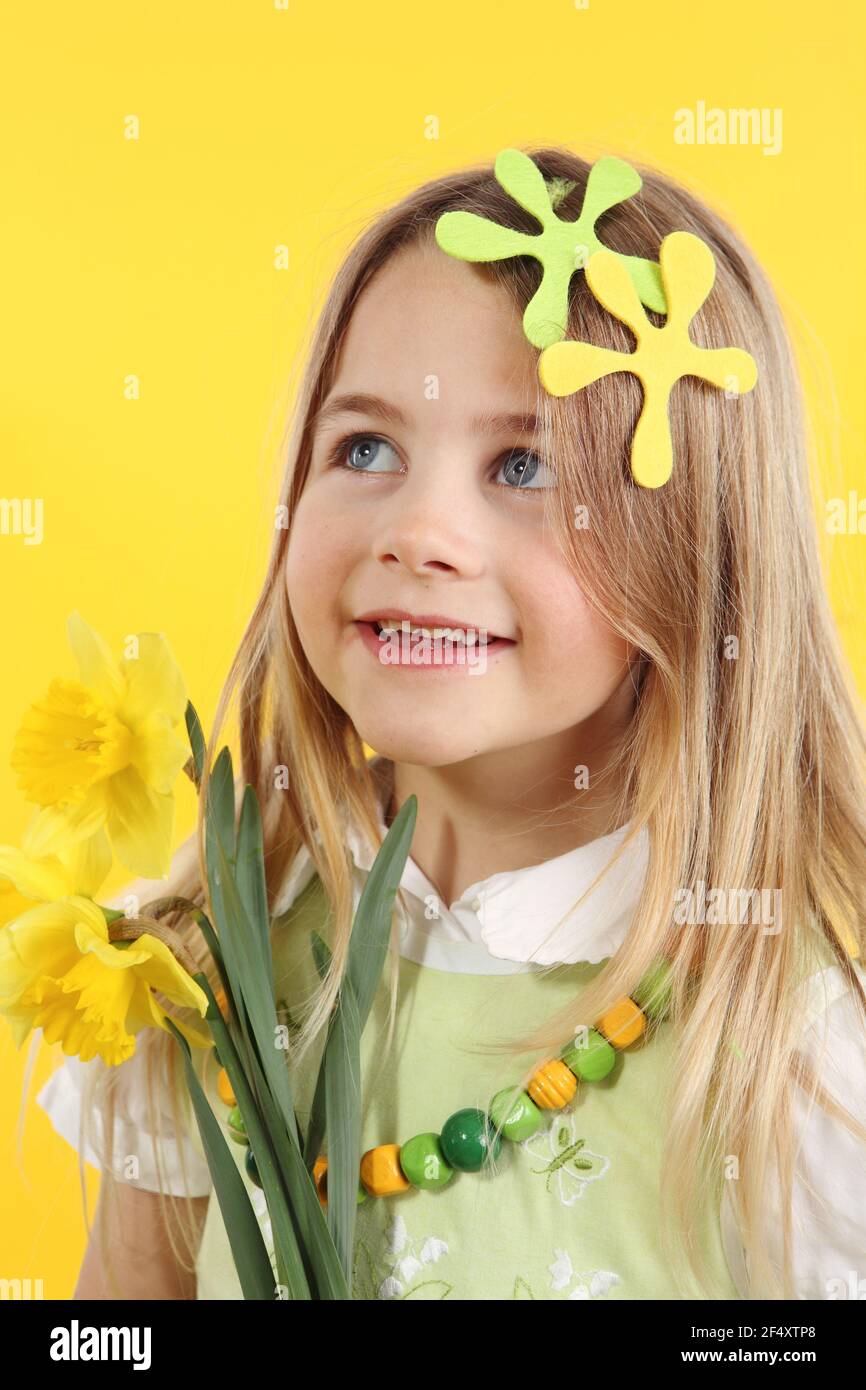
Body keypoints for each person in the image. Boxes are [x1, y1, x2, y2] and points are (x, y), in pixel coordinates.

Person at [36, 145, 866, 1300]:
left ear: (695, 554)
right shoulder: (199, 968)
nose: (417, 531)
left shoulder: (794, 1054)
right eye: (363, 447)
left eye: (525, 463)